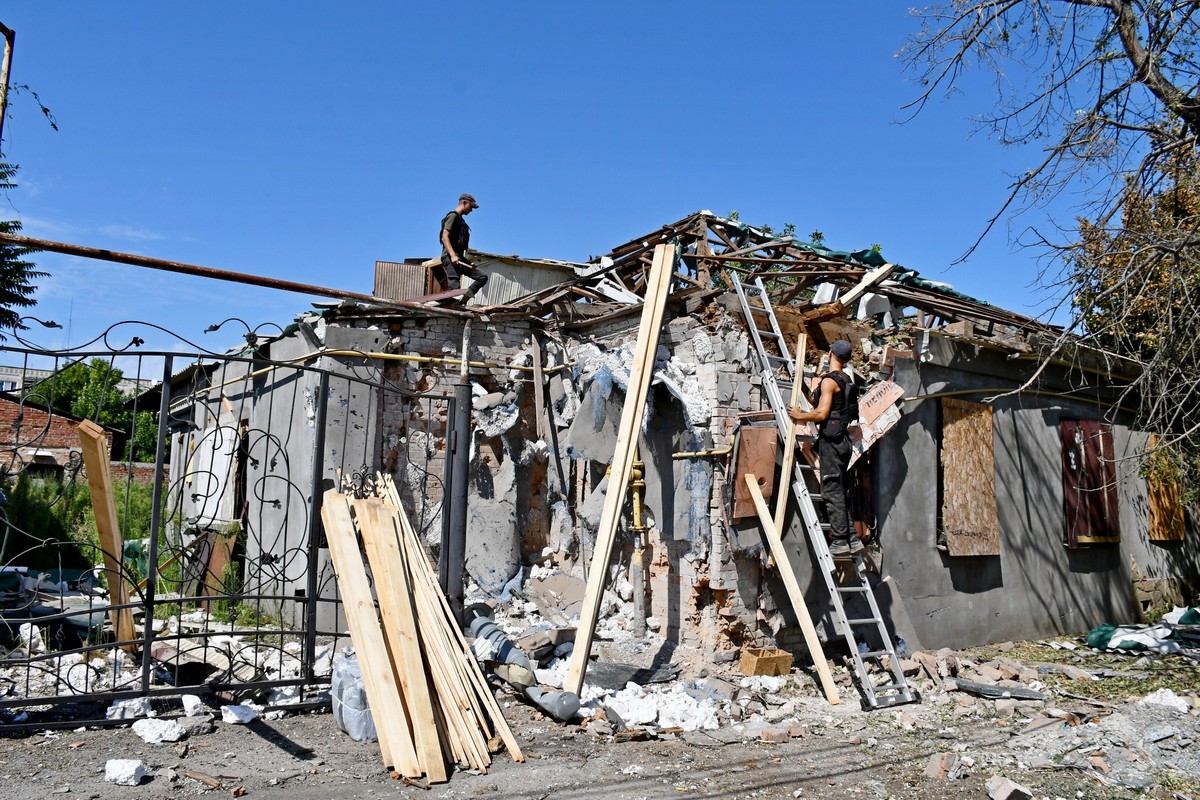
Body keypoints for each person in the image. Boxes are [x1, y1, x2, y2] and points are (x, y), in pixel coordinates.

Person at [787, 339, 861, 558]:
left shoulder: (829, 381)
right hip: (844, 442)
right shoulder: (846, 380)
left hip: (832, 442)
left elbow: (821, 414)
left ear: (830, 354)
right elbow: (820, 404)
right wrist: (801, 386)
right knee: (839, 489)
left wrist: (800, 415)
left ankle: (839, 541)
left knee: (831, 490)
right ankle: (853, 539)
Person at [436, 193, 489, 302]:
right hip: (450, 257)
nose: (471, 210)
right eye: (471, 207)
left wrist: (468, 261)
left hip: (459, 258)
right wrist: (452, 255)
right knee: (455, 290)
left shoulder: (461, 221)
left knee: (482, 277)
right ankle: (454, 307)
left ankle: (462, 301)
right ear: (464, 203)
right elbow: (444, 236)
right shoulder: (452, 216)